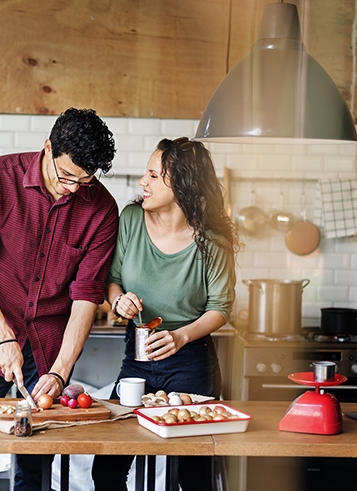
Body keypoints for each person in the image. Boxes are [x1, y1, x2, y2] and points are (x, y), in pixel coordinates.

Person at [0, 107, 119, 490]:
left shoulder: (103, 210)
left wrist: (60, 370)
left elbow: (86, 297)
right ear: (47, 148)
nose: (74, 188)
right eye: (67, 176)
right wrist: (4, 337)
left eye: (85, 180)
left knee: (37, 460)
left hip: (49, 347)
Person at [91, 137, 238, 491]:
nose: (143, 181)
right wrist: (118, 300)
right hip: (137, 357)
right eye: (147, 172)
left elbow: (221, 308)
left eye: (154, 175)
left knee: (193, 475)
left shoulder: (212, 240)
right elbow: (111, 280)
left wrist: (181, 336)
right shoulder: (130, 220)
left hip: (190, 360)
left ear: (183, 184)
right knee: (107, 469)